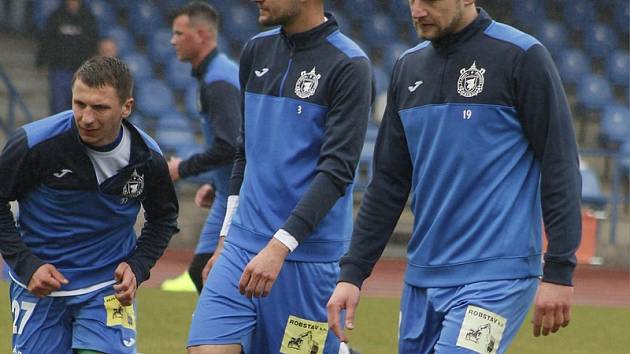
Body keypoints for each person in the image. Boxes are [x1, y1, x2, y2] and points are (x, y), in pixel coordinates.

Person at [327, 1, 582, 353]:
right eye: (412, 0)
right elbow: (388, 184)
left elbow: (560, 164)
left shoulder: (522, 56)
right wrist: (352, 273)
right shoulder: (407, 67)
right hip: (422, 278)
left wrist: (559, 270)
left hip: (497, 278)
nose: (417, 11)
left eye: (429, 0)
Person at [186, 0, 372, 353]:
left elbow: (337, 171)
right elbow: (245, 151)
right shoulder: (256, 50)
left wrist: (279, 246)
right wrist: (226, 237)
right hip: (241, 247)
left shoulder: (350, 65)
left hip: (307, 259)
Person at [0, 56, 179, 354]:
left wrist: (138, 265)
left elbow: (163, 218)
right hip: (41, 287)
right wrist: (27, 264)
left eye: (99, 107)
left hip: (106, 287)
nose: (86, 118)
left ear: (127, 107)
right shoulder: (34, 144)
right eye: (79, 104)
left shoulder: (147, 157)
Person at [159, 1, 241, 294]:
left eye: (180, 33)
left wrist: (181, 168)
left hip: (240, 194)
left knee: (212, 274)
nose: (173, 40)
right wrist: (216, 183)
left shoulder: (219, 80)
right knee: (201, 272)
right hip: (226, 189)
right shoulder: (214, 74)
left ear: (202, 34)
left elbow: (228, 146)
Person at [36, 0, 99, 115]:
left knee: (80, 108)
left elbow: (93, 43)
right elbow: (46, 41)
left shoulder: (88, 18)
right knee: (58, 107)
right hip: (59, 69)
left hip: (81, 72)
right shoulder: (55, 16)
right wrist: (40, 62)